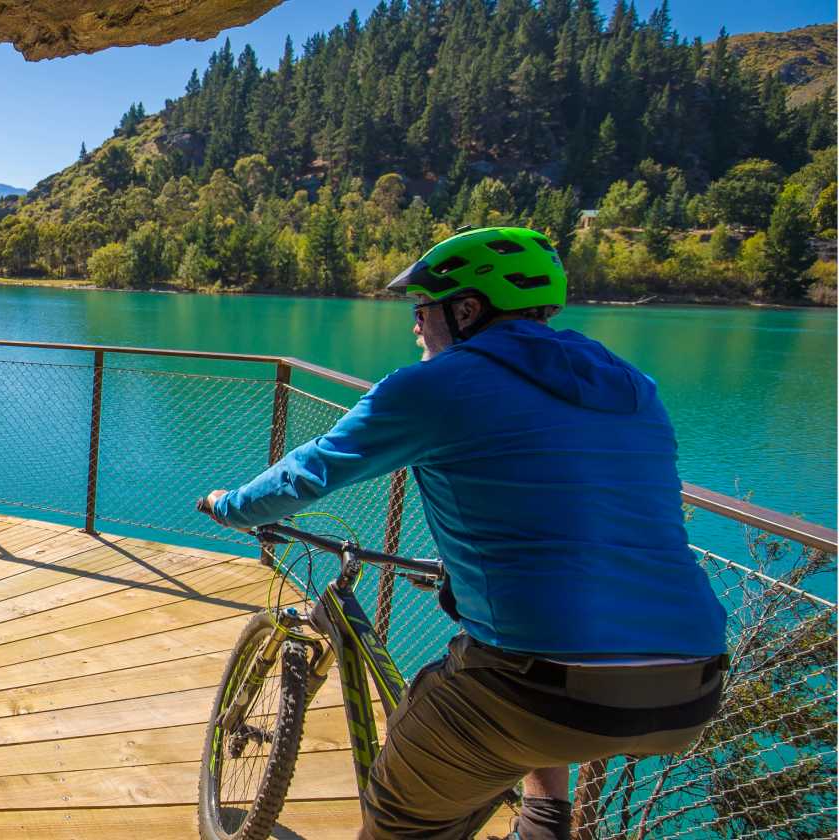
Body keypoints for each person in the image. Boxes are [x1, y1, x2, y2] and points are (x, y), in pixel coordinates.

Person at [196, 227, 728, 840]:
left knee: (402, 815)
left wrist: (230, 506)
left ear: (467, 309)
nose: (414, 325)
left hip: (537, 686)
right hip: (693, 681)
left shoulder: (436, 386)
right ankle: (546, 819)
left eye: (421, 309)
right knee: (523, 691)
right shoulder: (633, 386)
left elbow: (310, 472)